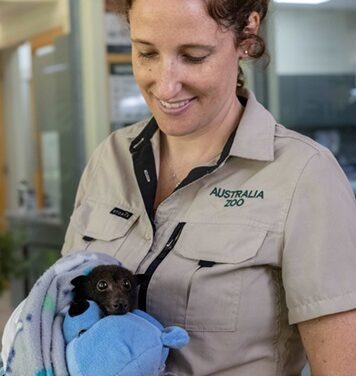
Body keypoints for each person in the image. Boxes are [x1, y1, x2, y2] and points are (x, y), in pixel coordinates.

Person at [2, 0, 356, 375]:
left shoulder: (304, 175)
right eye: (146, 52)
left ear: (247, 34)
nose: (165, 84)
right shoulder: (111, 157)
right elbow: (65, 311)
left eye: (193, 56)